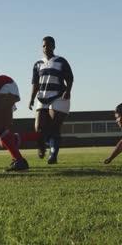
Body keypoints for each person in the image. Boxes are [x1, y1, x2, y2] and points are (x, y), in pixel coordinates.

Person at [28, 36, 74, 164]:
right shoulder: (38, 64)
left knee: (54, 127)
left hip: (58, 96)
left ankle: (53, 154)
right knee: (38, 128)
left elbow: (70, 78)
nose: (46, 48)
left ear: (54, 46)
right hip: (42, 97)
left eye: (48, 45)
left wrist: (68, 91)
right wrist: (31, 99)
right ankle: (41, 146)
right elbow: (35, 84)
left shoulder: (61, 61)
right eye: (43, 46)